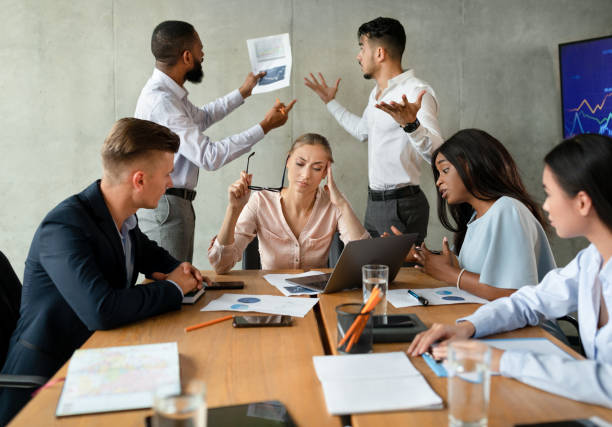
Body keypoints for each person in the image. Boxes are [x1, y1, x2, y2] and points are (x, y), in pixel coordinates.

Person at [0, 118, 209, 424]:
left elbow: (159, 260)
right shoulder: (64, 227)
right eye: (167, 174)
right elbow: (102, 310)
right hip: (46, 380)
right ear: (139, 180)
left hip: (96, 361)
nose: (171, 183)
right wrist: (174, 288)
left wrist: (181, 271)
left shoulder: (123, 220)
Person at [408, 134, 612, 408]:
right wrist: (467, 328)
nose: (546, 205)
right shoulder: (590, 261)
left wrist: (500, 360)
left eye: (550, 194)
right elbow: (529, 300)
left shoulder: (509, 210)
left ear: (583, 202)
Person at [135, 20, 296, 262]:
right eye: (200, 49)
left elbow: (202, 117)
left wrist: (243, 91)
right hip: (167, 207)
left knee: (178, 283)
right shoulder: (163, 102)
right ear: (187, 57)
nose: (203, 55)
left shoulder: (169, 94)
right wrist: (264, 126)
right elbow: (210, 157)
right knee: (172, 284)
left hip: (175, 205)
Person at [304, 17, 443, 241]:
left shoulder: (417, 91)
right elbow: (362, 131)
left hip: (401, 205)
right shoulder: (378, 93)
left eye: (362, 47)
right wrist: (330, 102)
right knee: (374, 274)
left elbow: (440, 155)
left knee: (400, 276)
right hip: (375, 202)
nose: (358, 56)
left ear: (379, 53)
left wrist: (411, 125)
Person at [409, 129, 556, 301]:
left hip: (525, 328)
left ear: (471, 165)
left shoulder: (508, 210)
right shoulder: (476, 218)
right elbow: (465, 267)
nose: (438, 181)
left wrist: (450, 274)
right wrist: (415, 253)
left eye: (445, 170)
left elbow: (514, 296)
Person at [208, 133, 369, 273]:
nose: (306, 175)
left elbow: (366, 263)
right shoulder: (260, 202)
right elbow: (220, 265)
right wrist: (233, 209)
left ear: (325, 173)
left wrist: (342, 204)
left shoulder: (335, 204)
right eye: (300, 164)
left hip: (316, 300)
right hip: (271, 299)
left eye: (317, 168)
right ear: (288, 161)